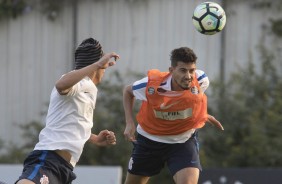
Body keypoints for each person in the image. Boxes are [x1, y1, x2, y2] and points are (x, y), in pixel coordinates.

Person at [16, 38, 120, 184]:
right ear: (99, 67)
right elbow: (61, 85)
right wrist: (97, 64)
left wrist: (94, 138)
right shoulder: (79, 81)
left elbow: (73, 121)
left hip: (65, 168)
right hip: (49, 159)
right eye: (104, 67)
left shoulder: (89, 88)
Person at [123, 47, 223, 184]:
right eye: (183, 70)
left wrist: (203, 114)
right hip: (149, 140)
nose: (188, 76)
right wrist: (129, 122)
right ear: (171, 71)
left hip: (183, 141)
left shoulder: (200, 80)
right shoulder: (151, 84)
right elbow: (127, 91)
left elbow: (193, 101)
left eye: (191, 70)